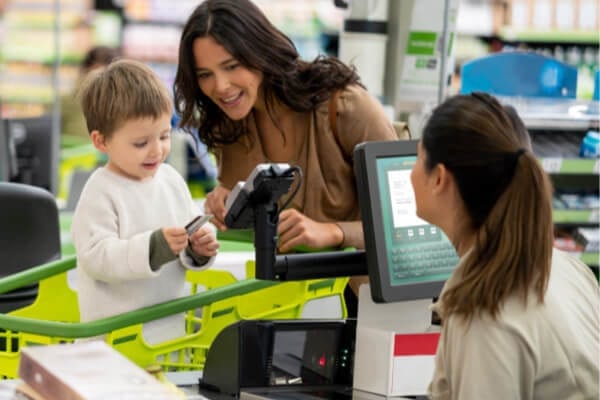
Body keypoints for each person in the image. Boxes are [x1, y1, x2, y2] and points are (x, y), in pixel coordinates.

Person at [173, 0, 397, 311]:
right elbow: (253, 226)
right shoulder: (229, 125)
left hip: (365, 305)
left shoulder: (343, 106)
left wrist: (333, 231)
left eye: (232, 66)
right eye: (204, 74)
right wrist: (227, 206)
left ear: (259, 53)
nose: (220, 86)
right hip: (286, 304)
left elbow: (407, 224)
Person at [410, 92, 599, 399]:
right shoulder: (567, 268)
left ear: (439, 178)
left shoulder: (483, 311)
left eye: (418, 158)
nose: (411, 173)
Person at [71, 59, 219, 344]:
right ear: (101, 142)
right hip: (112, 345)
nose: (157, 150)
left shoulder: (171, 180)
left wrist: (200, 249)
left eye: (164, 136)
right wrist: (153, 248)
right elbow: (96, 258)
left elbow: (189, 239)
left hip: (168, 336)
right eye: (141, 143)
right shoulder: (100, 191)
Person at [60, 46, 120, 144]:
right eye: (96, 75)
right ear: (83, 72)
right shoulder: (65, 103)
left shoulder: (123, 105)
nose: (101, 83)